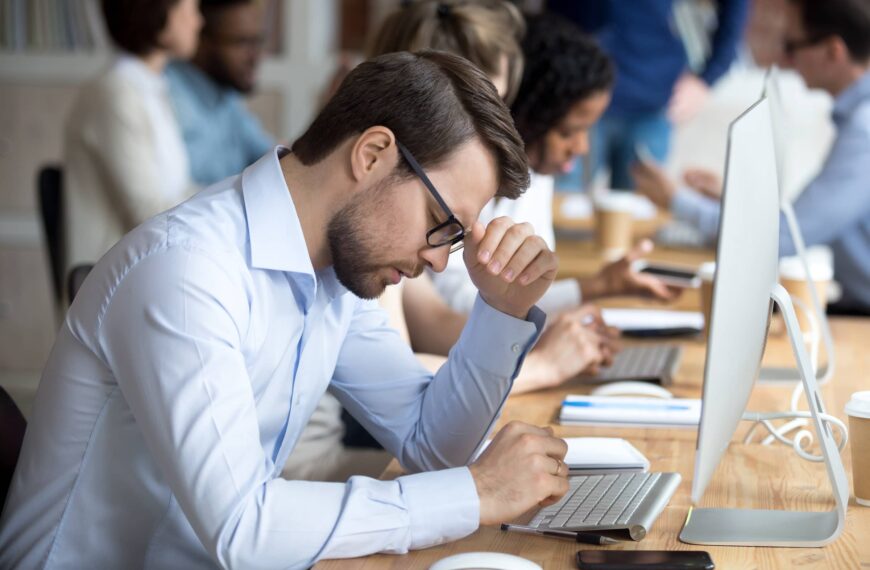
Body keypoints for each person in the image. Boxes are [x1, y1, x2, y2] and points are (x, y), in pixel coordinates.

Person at [0, 51, 572, 568]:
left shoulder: (335, 274)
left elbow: (429, 443)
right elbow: (244, 529)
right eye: (439, 224)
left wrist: (500, 309)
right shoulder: (186, 272)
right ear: (372, 155)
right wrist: (478, 492)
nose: (440, 260)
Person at [367, 1, 623, 394]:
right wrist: (541, 364)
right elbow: (397, 383)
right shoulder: (372, 205)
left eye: (502, 103)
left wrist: (532, 335)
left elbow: (431, 322)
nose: (498, 121)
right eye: (480, 106)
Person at [429, 13, 681, 320]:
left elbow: (528, 291)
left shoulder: (536, 176)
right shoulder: (462, 183)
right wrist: (596, 286)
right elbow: (460, 305)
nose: (582, 147)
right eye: (567, 131)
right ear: (525, 115)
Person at [633, 0, 870, 314]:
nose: (786, 59)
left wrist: (677, 200)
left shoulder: (864, 128)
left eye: (792, 45)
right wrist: (730, 199)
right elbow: (806, 222)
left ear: (833, 51)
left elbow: (781, 240)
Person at [548, 0, 750, 191]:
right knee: (559, 206)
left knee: (639, 214)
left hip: (650, 96)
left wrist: (708, 78)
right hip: (571, 92)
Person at [64, 0, 202, 275]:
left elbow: (178, 191)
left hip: (149, 266)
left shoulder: (149, 87)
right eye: (190, 9)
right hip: (113, 281)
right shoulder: (115, 93)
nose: (199, 21)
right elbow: (147, 212)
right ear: (160, 18)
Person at [166, 0, 274, 186]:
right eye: (242, 43)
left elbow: (271, 161)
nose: (256, 56)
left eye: (258, 41)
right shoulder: (168, 96)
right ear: (200, 40)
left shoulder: (225, 94)